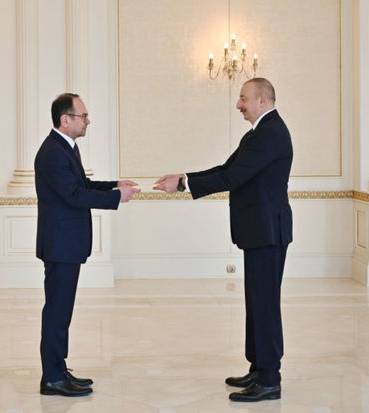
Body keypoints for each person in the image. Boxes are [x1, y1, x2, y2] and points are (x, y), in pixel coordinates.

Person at [154, 78, 292, 402]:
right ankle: (258, 368)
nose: (238, 105)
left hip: (267, 232)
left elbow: (232, 177)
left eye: (243, 98)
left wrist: (184, 186)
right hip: (259, 232)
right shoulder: (257, 133)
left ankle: (270, 379)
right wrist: (185, 178)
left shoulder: (270, 133)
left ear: (262, 100)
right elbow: (227, 168)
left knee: (265, 305)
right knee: (256, 303)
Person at [34, 93, 140, 397]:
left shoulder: (65, 148)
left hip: (66, 244)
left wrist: (115, 185)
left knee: (61, 311)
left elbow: (82, 186)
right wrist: (116, 198)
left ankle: (58, 369)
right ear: (65, 119)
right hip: (60, 245)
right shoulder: (53, 152)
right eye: (83, 116)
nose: (88, 121)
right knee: (57, 312)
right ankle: (52, 378)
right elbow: (74, 196)